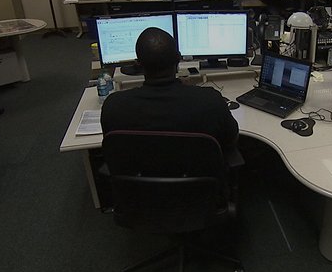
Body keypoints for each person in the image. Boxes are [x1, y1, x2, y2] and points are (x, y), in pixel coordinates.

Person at [100, 27, 242, 167]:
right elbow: (230, 139)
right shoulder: (210, 101)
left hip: (139, 187)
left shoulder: (113, 106)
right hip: (200, 187)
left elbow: (112, 150)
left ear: (138, 64)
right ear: (178, 59)